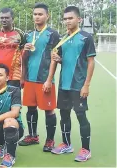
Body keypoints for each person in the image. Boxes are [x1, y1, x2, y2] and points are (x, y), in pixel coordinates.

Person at [51, 6, 96, 162]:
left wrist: (86, 85)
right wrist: (58, 59)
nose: (67, 21)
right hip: (64, 85)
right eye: (65, 19)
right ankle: (67, 144)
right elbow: (64, 59)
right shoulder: (63, 38)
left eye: (70, 18)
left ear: (79, 19)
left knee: (81, 116)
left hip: (78, 85)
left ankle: (86, 149)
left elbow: (90, 62)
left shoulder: (85, 37)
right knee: (64, 115)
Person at [18, 3, 59, 152]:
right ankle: (33, 135)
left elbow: (54, 58)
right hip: (29, 79)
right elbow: (24, 58)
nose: (37, 17)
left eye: (40, 14)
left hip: (44, 79)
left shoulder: (53, 34)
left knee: (49, 110)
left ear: (47, 16)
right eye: (35, 14)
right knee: (30, 108)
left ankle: (50, 140)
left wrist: (49, 79)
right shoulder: (28, 35)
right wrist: (22, 77)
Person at [0, 8, 25, 88]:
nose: (4, 20)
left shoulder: (20, 34)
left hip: (15, 76)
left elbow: (24, 57)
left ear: (12, 19)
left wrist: (23, 76)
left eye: (7, 18)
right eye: (2, 18)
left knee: (13, 99)